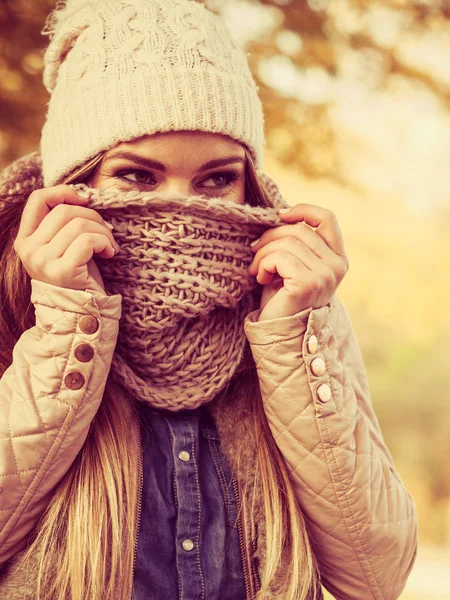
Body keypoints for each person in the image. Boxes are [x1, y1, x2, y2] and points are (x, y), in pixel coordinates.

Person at [0, 1, 417, 599]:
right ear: (75, 187)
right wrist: (67, 325)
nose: (181, 208)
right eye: (137, 176)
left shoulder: (295, 311)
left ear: (249, 184)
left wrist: (292, 339)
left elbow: (376, 576)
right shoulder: (13, 301)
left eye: (217, 178)